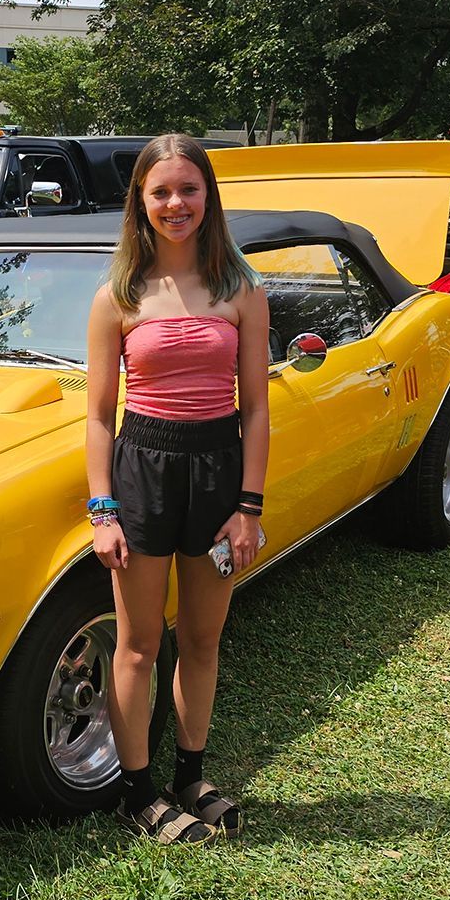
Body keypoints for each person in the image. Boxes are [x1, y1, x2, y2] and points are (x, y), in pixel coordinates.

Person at [86, 133, 270, 844]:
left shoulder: (240, 290)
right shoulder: (119, 296)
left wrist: (248, 508)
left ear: (208, 197)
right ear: (140, 200)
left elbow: (255, 406)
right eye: (160, 191)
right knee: (137, 645)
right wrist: (103, 510)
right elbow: (100, 414)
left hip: (219, 472)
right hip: (144, 471)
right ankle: (138, 793)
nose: (175, 204)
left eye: (188, 189)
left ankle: (189, 775)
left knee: (201, 637)